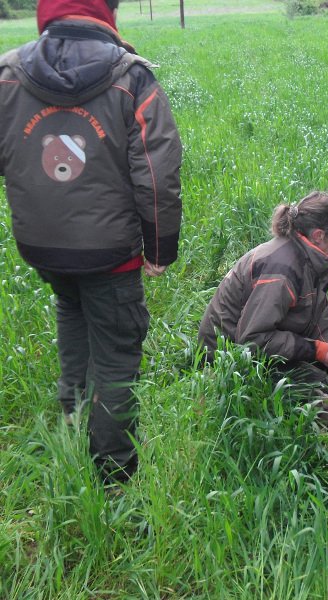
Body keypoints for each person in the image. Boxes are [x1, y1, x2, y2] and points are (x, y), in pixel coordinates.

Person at [0, 0, 183, 484]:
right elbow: (157, 172)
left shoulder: (7, 75)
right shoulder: (132, 78)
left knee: (73, 316)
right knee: (117, 355)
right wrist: (160, 249)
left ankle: (74, 422)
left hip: (41, 247)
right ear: (106, 11)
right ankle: (114, 474)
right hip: (110, 253)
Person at [199, 192, 328, 405]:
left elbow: (324, 325)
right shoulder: (281, 271)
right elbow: (252, 339)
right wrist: (315, 349)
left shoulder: (309, 258)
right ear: (318, 235)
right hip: (231, 357)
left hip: (265, 341)